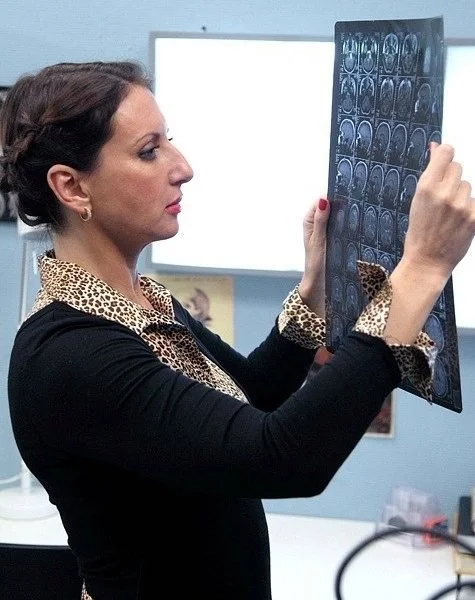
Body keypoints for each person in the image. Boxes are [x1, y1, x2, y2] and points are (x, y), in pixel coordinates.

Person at [1, 60, 474, 600]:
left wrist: (315, 288)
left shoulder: (140, 302)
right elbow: (281, 458)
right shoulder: (71, 356)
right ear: (71, 186)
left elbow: (252, 395)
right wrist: (421, 270)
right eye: (149, 151)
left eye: (169, 141)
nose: (183, 167)